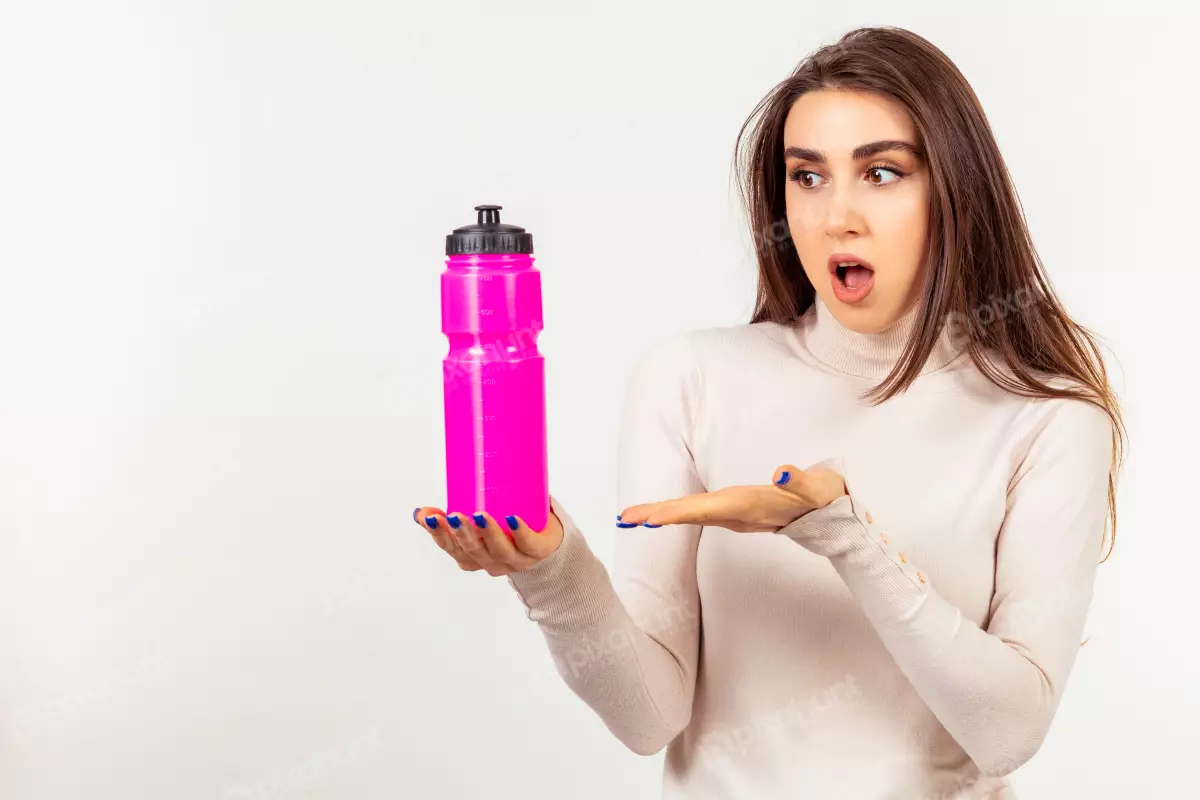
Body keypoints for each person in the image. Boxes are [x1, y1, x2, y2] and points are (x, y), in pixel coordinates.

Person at [411, 26, 1126, 799]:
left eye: (881, 173)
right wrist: (552, 573)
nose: (836, 217)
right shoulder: (689, 379)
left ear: (954, 190)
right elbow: (651, 716)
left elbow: (1007, 733)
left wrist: (846, 537)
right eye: (807, 177)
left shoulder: (1045, 420)